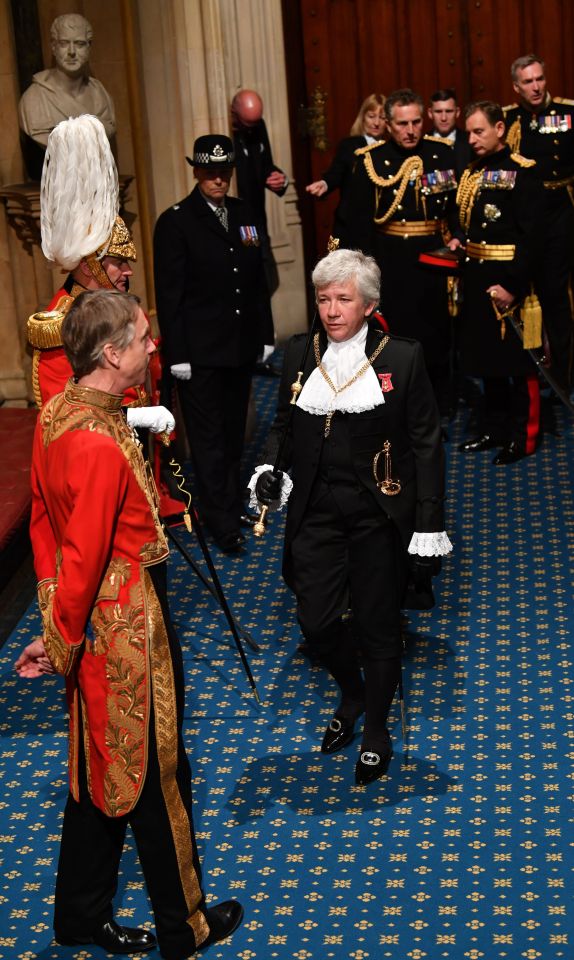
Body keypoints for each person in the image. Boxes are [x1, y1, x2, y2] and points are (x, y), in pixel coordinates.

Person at [15, 290, 243, 958]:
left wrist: (56, 625)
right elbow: (82, 556)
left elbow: (42, 526)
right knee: (156, 775)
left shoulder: (58, 411)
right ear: (111, 353)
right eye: (143, 338)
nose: (153, 346)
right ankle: (185, 925)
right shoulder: (97, 444)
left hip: (90, 623)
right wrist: (62, 636)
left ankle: (81, 917)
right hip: (126, 628)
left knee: (97, 771)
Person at [250, 249, 451, 784]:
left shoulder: (402, 358)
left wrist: (429, 522)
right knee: (315, 623)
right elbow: (284, 428)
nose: (332, 309)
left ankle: (377, 730)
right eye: (323, 299)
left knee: (377, 625)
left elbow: (427, 444)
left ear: (369, 304)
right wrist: (269, 468)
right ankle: (354, 692)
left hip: (377, 515)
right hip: (315, 510)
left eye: (344, 299)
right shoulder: (299, 352)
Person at [153, 134, 274, 554]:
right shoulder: (176, 221)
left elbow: (257, 281)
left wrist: (265, 336)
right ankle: (220, 521)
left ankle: (226, 503)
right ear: (196, 173)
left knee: (231, 433)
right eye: (210, 173)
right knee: (207, 440)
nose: (218, 180)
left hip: (239, 347)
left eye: (224, 173)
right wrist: (178, 355)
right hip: (199, 354)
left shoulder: (243, 214)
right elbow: (170, 295)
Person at [28, 115, 174, 441]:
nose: (129, 271)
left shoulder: (110, 305)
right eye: (118, 262)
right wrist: (132, 416)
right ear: (89, 265)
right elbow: (63, 415)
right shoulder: (61, 325)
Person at [340, 88, 458, 410]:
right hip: (391, 263)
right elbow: (357, 222)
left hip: (435, 260)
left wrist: (458, 237)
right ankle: (397, 407)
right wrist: (363, 274)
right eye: (402, 123)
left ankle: (436, 406)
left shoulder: (443, 153)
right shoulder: (371, 160)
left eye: (416, 122)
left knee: (436, 336)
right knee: (395, 338)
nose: (410, 130)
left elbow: (457, 208)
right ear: (389, 124)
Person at [448, 101, 544, 463]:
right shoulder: (473, 172)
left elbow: (532, 239)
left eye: (479, 131)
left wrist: (513, 287)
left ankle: (524, 437)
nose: (471, 139)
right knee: (488, 362)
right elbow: (469, 222)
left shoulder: (524, 172)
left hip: (508, 282)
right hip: (478, 279)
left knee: (518, 365)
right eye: (468, 132)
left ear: (500, 129)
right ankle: (494, 429)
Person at [504, 54, 574, 391]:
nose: (536, 86)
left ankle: (562, 370)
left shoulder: (568, 113)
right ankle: (527, 366)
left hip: (561, 209)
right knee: (522, 288)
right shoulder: (508, 119)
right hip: (524, 213)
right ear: (516, 86)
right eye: (528, 81)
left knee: (555, 292)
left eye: (540, 79)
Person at [18, 14, 116, 179]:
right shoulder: (34, 99)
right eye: (64, 44)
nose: (71, 52)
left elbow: (109, 127)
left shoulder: (101, 94)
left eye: (79, 44)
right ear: (53, 47)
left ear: (89, 48)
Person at [305, 93, 386, 240]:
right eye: (371, 116)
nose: (376, 123)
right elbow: (336, 172)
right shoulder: (349, 145)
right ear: (363, 117)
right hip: (351, 223)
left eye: (382, 117)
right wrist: (325, 183)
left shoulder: (390, 148)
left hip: (380, 223)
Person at [428, 88, 472, 176]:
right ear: (430, 113)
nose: (443, 118)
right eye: (438, 111)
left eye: (449, 111)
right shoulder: (422, 144)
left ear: (457, 112)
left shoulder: (471, 141)